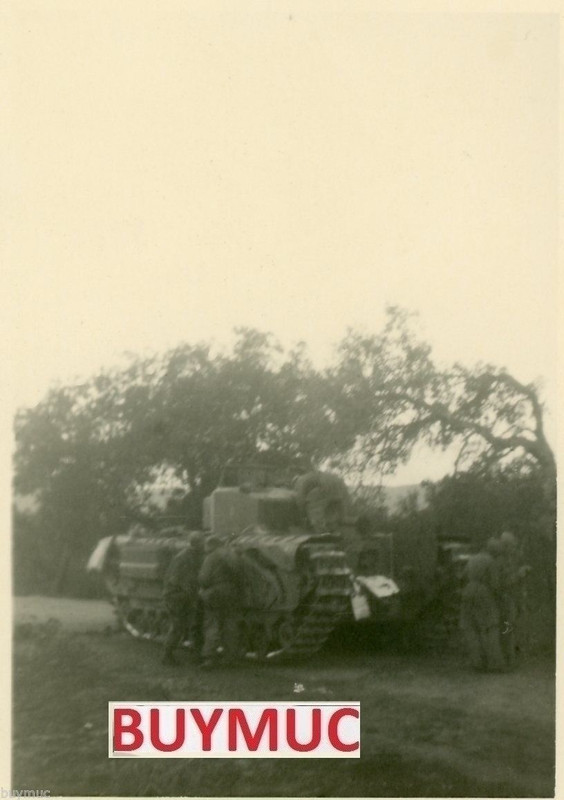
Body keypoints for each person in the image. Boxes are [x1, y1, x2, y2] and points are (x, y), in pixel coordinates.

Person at [198, 535, 244, 668]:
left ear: (211, 545)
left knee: (212, 625)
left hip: (215, 593)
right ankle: (230, 658)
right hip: (232, 593)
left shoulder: (211, 557)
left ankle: (209, 659)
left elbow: (204, 579)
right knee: (230, 625)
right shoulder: (233, 555)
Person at [459, 539, 505, 672]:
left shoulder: (472, 559)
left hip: (468, 590)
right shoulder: (491, 561)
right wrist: (499, 597)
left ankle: (477, 663)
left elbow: (462, 577)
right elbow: (495, 584)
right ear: (494, 551)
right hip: (483, 592)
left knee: (471, 628)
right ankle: (495, 664)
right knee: (490, 627)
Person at [162, 531, 205, 666]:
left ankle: (195, 655)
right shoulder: (183, 558)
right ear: (197, 543)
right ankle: (167, 656)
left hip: (185, 595)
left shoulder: (193, 555)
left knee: (193, 625)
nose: (204, 545)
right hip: (177, 597)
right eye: (202, 542)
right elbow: (179, 579)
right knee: (178, 626)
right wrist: (194, 593)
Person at [498, 531, 531, 667]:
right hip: (506, 599)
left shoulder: (514, 558)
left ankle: (513, 656)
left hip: (516, 598)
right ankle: (508, 658)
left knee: (516, 627)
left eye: (514, 545)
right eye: (510, 545)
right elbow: (503, 582)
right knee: (508, 628)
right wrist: (519, 574)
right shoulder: (500, 561)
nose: (513, 548)